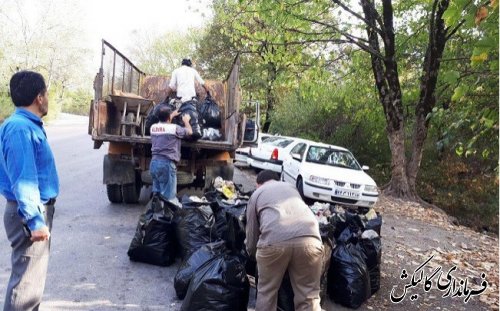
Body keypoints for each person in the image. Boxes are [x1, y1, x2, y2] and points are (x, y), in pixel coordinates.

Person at [0, 71, 59, 311]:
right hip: (28, 215)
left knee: (31, 283)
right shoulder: (20, 129)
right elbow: (23, 179)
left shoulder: (24, 125)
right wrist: (35, 221)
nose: (47, 98)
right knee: (25, 287)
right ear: (39, 98)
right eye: (46, 94)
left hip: (32, 211)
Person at [245, 170, 323, 311]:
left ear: (258, 184)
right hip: (311, 241)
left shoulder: (257, 194)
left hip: (273, 244)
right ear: (277, 180)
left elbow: (251, 233)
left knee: (266, 294)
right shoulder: (291, 188)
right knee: (309, 297)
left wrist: (252, 254)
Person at [149, 105, 192, 204]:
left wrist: (171, 115)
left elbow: (164, 124)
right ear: (168, 118)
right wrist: (186, 121)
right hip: (166, 165)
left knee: (157, 195)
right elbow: (189, 132)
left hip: (154, 164)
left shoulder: (153, 128)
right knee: (169, 198)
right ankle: (166, 217)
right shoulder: (175, 128)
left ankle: (156, 215)